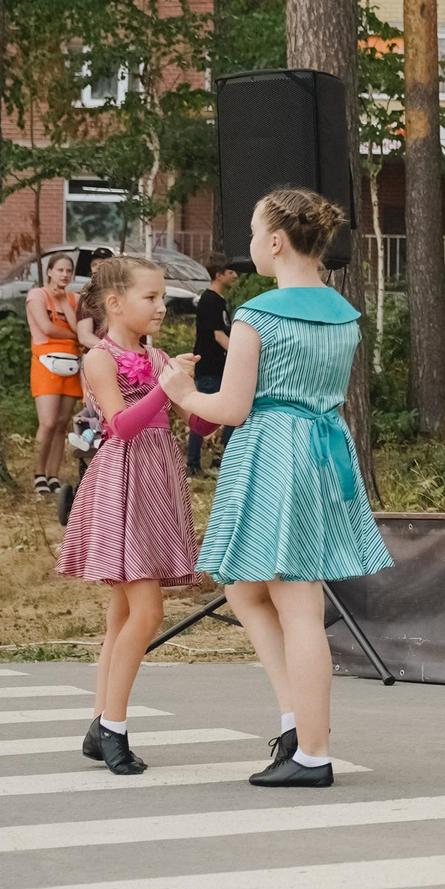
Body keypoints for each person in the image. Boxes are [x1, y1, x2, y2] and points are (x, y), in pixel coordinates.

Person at [161, 188, 393, 789]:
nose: (247, 244)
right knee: (247, 587)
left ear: (274, 242)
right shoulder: (343, 311)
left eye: (252, 231)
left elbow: (231, 407)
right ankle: (297, 720)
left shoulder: (258, 316)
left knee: (298, 605)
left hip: (275, 448)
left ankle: (312, 752)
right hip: (322, 447)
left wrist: (182, 394)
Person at [62, 256, 200, 778]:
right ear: (116, 304)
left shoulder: (160, 356)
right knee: (146, 613)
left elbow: (201, 425)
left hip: (157, 483)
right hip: (123, 483)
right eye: (152, 298)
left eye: (163, 297)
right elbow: (119, 425)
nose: (162, 306)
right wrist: (167, 387)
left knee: (122, 615)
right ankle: (114, 726)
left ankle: (99, 723)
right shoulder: (100, 358)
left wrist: (195, 389)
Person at [27, 251, 95, 497]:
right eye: (60, 270)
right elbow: (46, 328)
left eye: (69, 270)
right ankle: (38, 474)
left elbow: (83, 331)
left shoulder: (75, 299)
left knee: (61, 424)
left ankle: (53, 475)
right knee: (46, 422)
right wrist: (73, 335)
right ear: (49, 271)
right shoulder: (37, 295)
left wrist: (66, 305)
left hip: (72, 364)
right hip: (46, 361)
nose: (64, 274)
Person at [187, 256, 239, 476]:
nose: (235, 275)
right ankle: (193, 464)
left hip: (219, 367)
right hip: (209, 367)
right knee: (204, 416)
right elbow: (218, 335)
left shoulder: (218, 300)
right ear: (219, 275)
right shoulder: (210, 301)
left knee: (226, 416)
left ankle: (220, 460)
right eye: (230, 272)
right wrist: (239, 356)